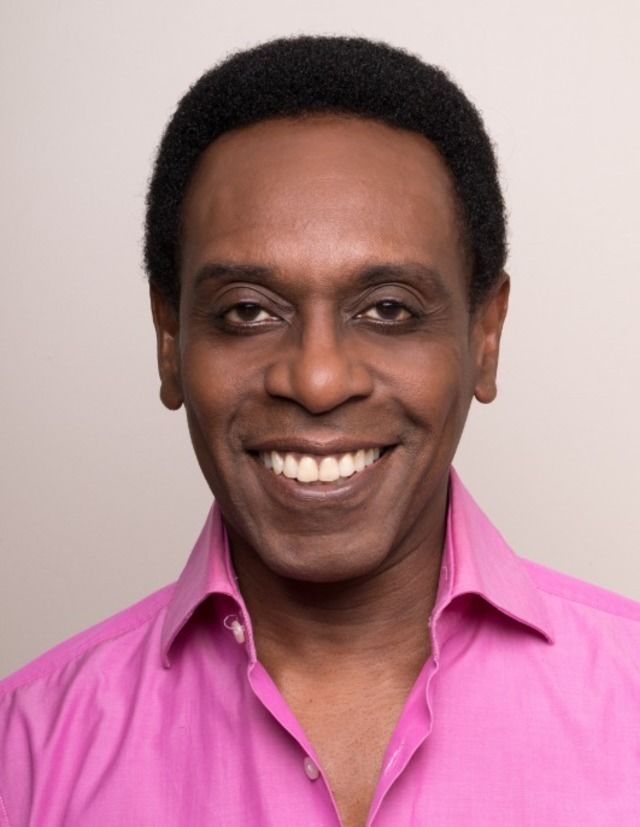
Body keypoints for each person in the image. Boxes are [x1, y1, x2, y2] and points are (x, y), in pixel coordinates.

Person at [0, 35, 638, 827]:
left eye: (389, 309)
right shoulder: (25, 757)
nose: (318, 379)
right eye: (248, 311)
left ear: (485, 336)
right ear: (170, 341)